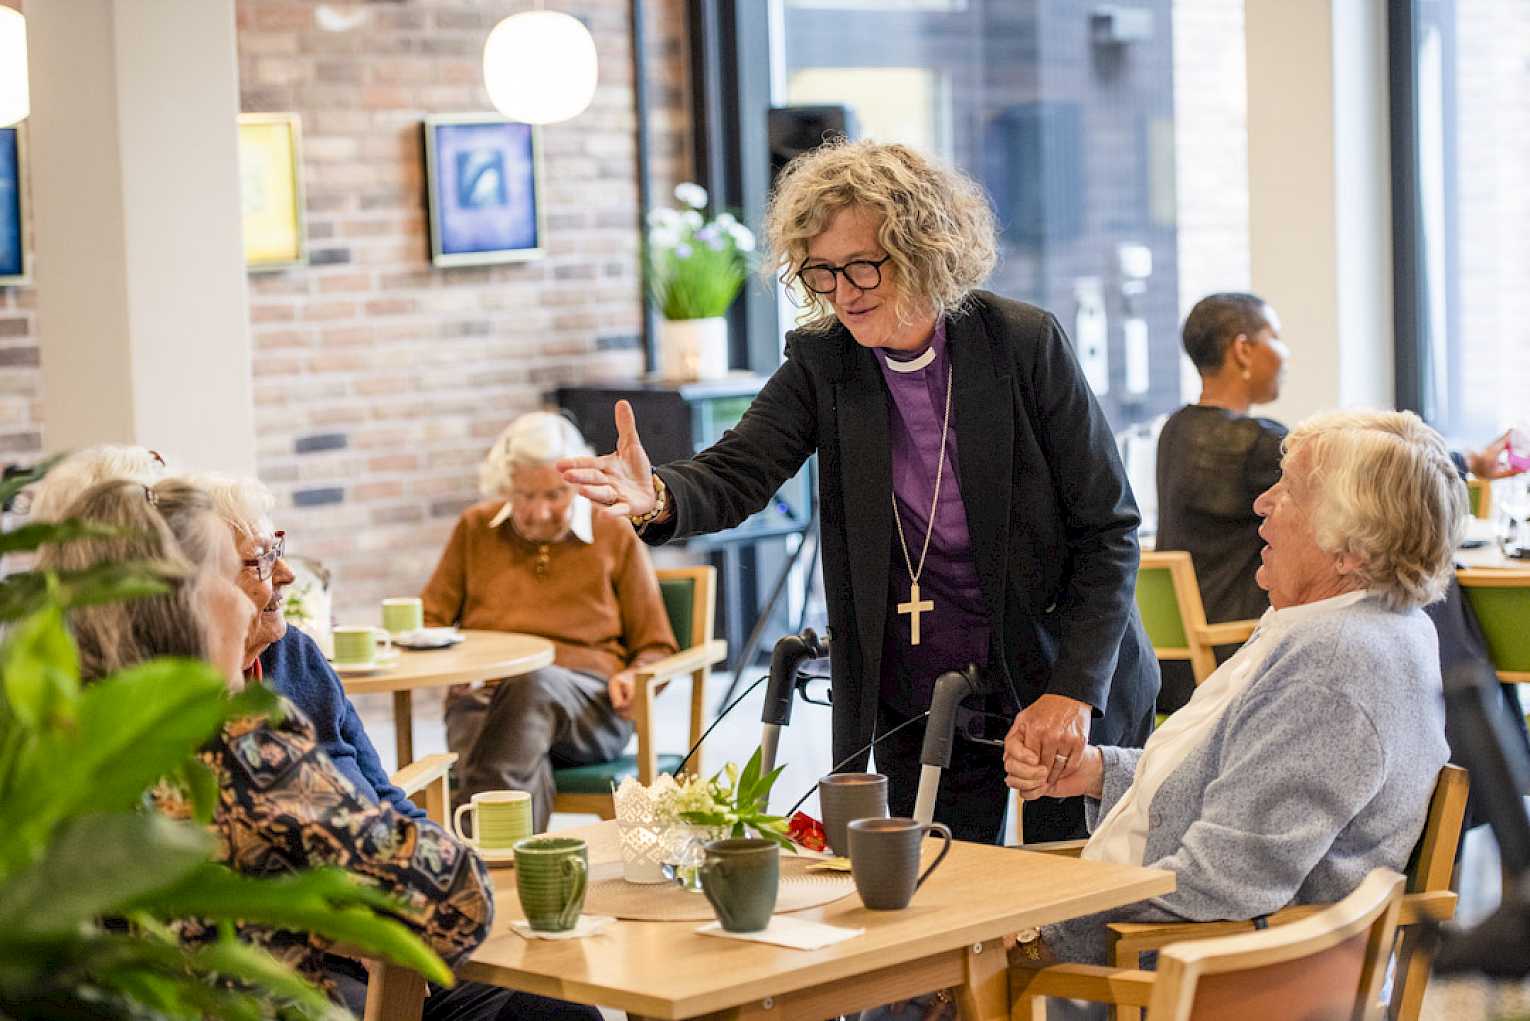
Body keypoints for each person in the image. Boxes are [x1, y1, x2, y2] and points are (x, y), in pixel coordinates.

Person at [560, 139, 1159, 843]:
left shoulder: (1022, 345)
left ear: (923, 250)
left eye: (862, 266)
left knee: (1073, 893)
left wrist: (1073, 689)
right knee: (936, 891)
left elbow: (1108, 529)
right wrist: (659, 494)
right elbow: (739, 468)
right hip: (921, 687)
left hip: (1058, 666)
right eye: (820, 272)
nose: (843, 292)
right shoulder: (827, 363)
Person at [44, 479, 600, 1021]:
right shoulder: (245, 751)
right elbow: (456, 900)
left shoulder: (70, 734)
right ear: (185, 602)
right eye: (247, 566)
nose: (281, 577)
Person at [1006, 411, 1457, 993]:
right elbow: (1227, 783)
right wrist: (1098, 772)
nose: (1263, 503)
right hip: (1174, 942)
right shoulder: (1341, 626)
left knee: (940, 966)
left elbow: (1224, 881)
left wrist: (1038, 934)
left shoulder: (1334, 660)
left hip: (1209, 977)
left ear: (1351, 548)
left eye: (1290, 490)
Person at [422, 412, 678, 833]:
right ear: (507, 487)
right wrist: (455, 666)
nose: (539, 512)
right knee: (515, 737)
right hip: (485, 700)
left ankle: (479, 869)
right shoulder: (475, 529)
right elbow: (429, 623)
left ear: (577, 484)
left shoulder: (612, 532)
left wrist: (637, 675)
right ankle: (521, 878)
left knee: (531, 683)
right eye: (524, 496)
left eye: (554, 495)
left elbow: (657, 645)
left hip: (589, 707)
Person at [182, 472, 425, 820]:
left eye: (276, 550)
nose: (287, 573)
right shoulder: (185, 705)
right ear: (206, 585)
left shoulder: (295, 653)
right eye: (261, 558)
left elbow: (383, 794)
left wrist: (442, 853)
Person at [1153, 293, 1288, 711]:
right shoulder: (1261, 444)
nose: (1287, 355)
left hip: (1171, 673)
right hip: (1235, 665)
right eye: (1276, 338)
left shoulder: (1174, 430)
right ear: (1243, 349)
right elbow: (1352, 474)